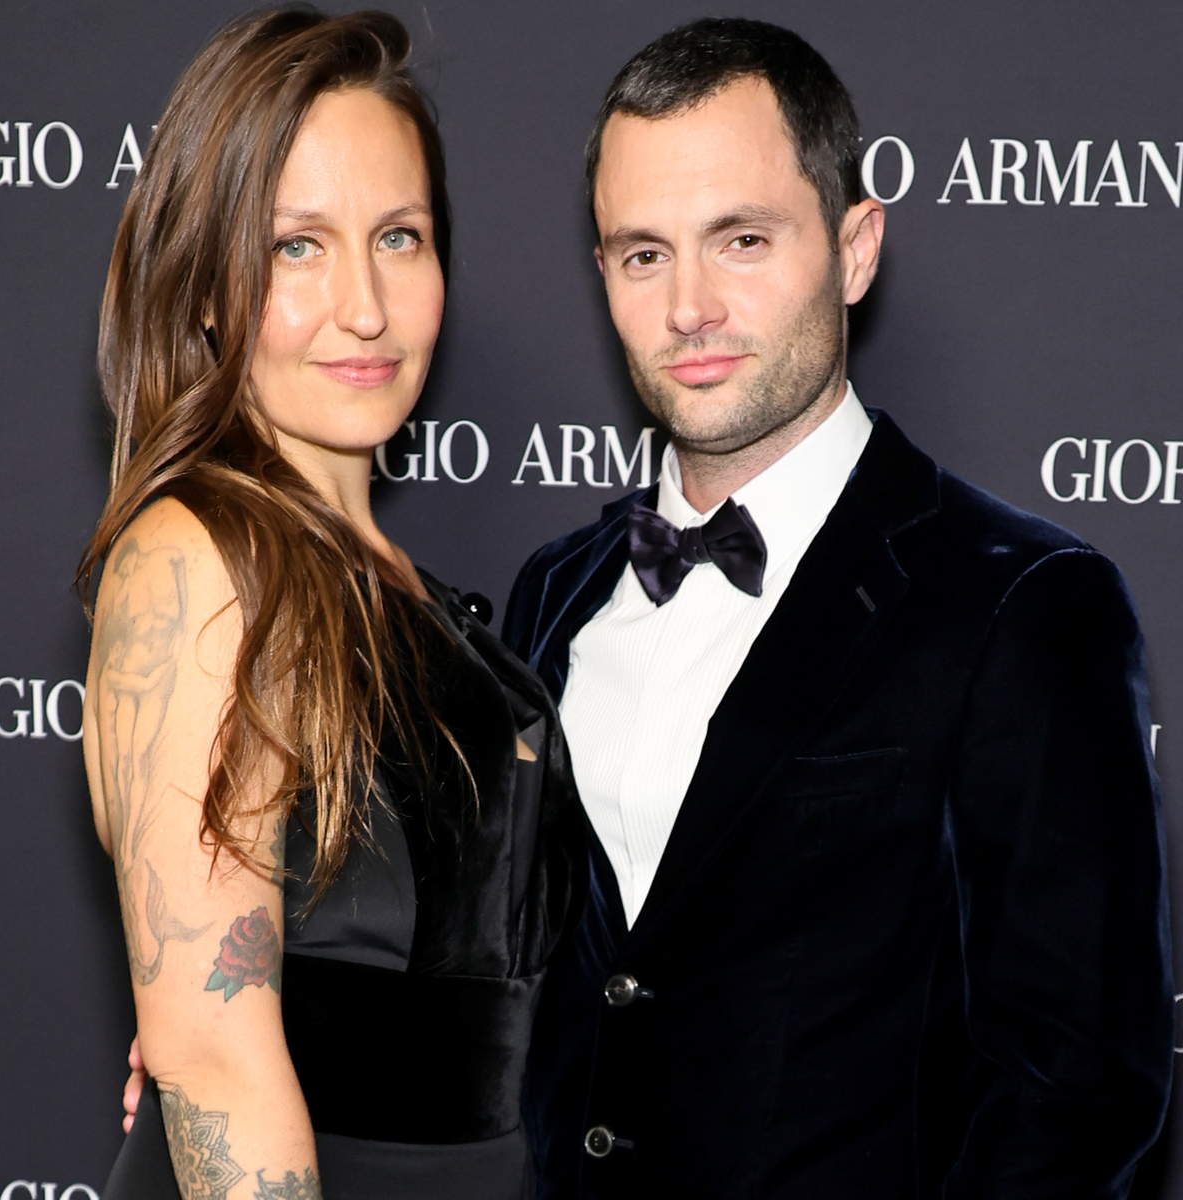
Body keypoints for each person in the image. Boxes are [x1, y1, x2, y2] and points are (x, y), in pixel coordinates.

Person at [502, 18, 1174, 1199]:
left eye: (742, 240)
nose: (690, 308)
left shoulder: (1023, 605)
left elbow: (1078, 1086)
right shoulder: (554, 593)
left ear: (855, 248)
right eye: (641, 254)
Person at [81, 10, 582, 1200]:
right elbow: (211, 1056)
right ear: (203, 281)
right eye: (295, 247)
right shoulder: (195, 558)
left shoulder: (389, 582)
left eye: (398, 237)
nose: (365, 305)